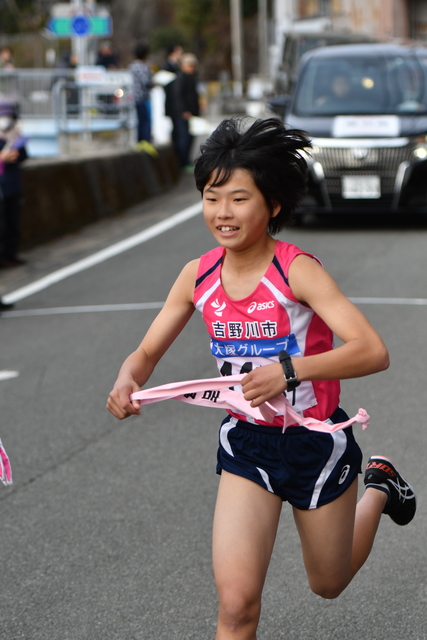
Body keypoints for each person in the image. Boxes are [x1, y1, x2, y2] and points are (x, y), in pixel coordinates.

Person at [107, 117, 416, 639]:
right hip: (247, 444)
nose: (222, 213)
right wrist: (125, 380)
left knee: (329, 583)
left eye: (238, 198)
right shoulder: (198, 274)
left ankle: (380, 486)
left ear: (272, 204)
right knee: (236, 606)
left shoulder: (297, 270)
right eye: (211, 197)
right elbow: (145, 352)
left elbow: (372, 351)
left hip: (316, 444)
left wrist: (290, 371)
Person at [0, 101, 28, 269]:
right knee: (1, 226)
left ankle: (11, 255)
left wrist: (16, 146)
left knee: (13, 223)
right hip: (2, 190)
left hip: (13, 187)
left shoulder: (15, 138)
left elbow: (23, 157)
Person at [173, 53, 200, 170]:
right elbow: (178, 96)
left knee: (191, 138)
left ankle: (187, 161)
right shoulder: (181, 77)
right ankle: (182, 162)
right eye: (189, 65)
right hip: (184, 114)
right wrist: (183, 110)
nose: (192, 68)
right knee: (184, 138)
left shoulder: (192, 77)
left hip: (192, 113)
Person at [128, 43, 153, 143]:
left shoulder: (131, 66)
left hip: (133, 97)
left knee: (138, 120)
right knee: (145, 120)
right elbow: (146, 82)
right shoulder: (143, 67)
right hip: (142, 97)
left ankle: (139, 140)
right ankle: (144, 141)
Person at [162, 44, 183, 152]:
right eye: (179, 52)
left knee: (177, 130)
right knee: (177, 130)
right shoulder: (168, 67)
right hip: (173, 104)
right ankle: (177, 155)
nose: (181, 54)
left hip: (175, 104)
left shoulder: (175, 66)